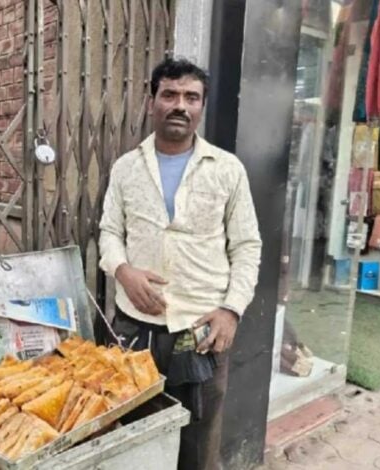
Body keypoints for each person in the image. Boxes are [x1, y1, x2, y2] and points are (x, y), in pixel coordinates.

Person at [98, 57, 262, 470]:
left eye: (191, 97)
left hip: (201, 331)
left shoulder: (227, 169)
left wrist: (231, 310)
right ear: (152, 100)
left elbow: (247, 246)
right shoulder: (126, 168)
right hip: (135, 329)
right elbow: (109, 233)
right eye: (170, 94)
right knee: (133, 437)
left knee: (198, 445)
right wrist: (123, 271)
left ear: (202, 106)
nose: (180, 106)